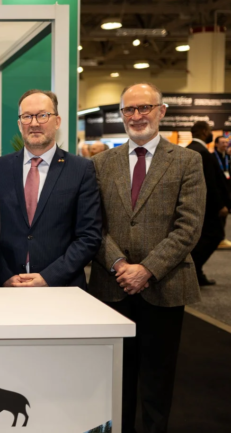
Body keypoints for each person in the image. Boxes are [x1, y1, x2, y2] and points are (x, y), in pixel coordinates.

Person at [89, 82, 204, 433]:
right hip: (111, 286)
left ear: (161, 111)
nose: (137, 116)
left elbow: (189, 226)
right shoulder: (100, 164)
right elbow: (93, 225)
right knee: (114, 378)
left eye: (145, 108)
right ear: (121, 114)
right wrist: (120, 264)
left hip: (164, 287)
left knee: (157, 381)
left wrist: (147, 269)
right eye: (129, 109)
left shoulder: (187, 161)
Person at [0, 90, 102, 288]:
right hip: (8, 287)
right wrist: (4, 276)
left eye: (42, 115)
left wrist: (49, 277)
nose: (34, 123)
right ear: (19, 124)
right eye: (27, 116)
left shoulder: (81, 169)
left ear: (57, 121)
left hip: (62, 287)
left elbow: (89, 236)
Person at [186, 121, 230, 285]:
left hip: (198, 205)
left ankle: (196, 272)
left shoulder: (190, 150)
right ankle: (193, 271)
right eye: (210, 130)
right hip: (207, 207)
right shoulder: (202, 153)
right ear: (204, 131)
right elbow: (209, 183)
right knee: (213, 236)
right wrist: (220, 205)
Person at [213, 136, 231, 248]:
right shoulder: (212, 157)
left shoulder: (228, 157)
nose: (225, 145)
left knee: (225, 214)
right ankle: (217, 238)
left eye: (226, 142)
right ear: (216, 144)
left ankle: (221, 238)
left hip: (227, 190)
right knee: (216, 215)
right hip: (216, 190)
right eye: (222, 142)